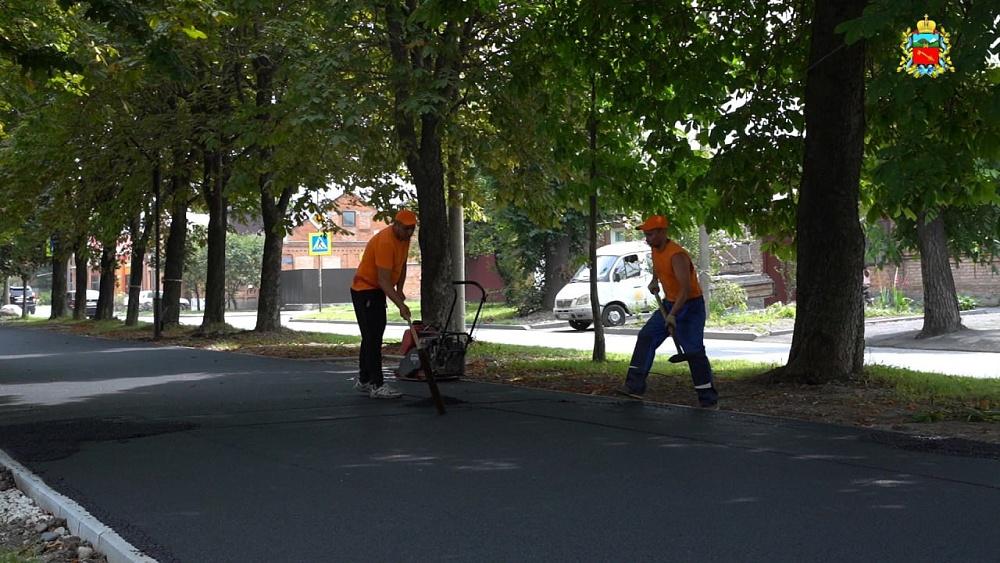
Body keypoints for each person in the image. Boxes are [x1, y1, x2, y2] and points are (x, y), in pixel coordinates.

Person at [617, 214, 719, 409]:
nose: (647, 239)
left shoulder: (677, 255)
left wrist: (673, 314)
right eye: (646, 235)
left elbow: (686, 289)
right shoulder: (656, 249)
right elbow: (659, 267)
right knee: (646, 336)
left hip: (690, 306)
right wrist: (655, 280)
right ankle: (634, 387)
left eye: (651, 234)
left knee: (693, 351)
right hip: (669, 303)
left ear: (663, 232)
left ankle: (708, 400)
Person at [350, 209, 417, 399]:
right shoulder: (386, 242)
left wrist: (401, 289)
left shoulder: (404, 239)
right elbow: (383, 280)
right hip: (365, 290)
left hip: (376, 290)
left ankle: (364, 380)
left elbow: (402, 265)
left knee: (372, 335)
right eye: (406, 229)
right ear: (395, 225)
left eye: (412, 229)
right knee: (373, 338)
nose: (409, 233)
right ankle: (376, 385)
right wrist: (400, 305)